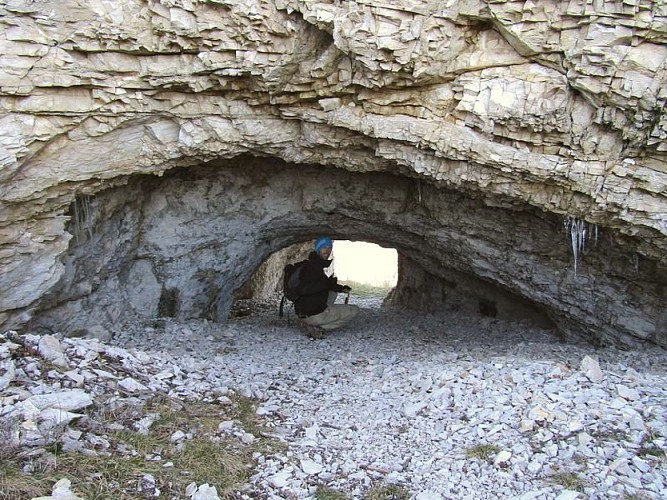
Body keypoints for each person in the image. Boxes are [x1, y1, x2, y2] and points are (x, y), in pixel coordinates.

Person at [293, 237, 359, 337]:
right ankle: (316, 327)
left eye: (329, 247)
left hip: (303, 311)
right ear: (318, 249)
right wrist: (326, 284)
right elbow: (304, 289)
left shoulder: (314, 264)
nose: (327, 250)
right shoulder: (313, 268)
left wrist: (341, 288)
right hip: (312, 314)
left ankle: (308, 321)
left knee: (333, 292)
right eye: (324, 247)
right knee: (354, 310)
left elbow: (324, 284)